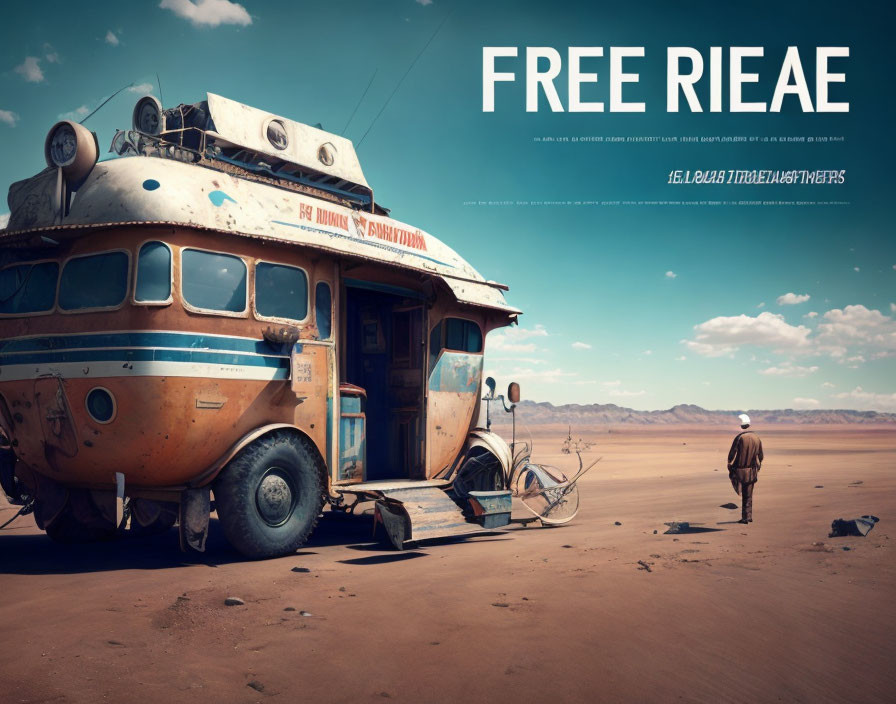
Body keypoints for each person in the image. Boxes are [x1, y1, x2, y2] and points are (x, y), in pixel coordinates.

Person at [727, 413, 763, 524]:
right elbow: (760, 456)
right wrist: (758, 467)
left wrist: (729, 464)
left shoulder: (739, 437)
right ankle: (748, 516)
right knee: (749, 495)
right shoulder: (757, 438)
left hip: (740, 470)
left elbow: (732, 455)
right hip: (752, 471)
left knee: (743, 494)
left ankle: (744, 518)